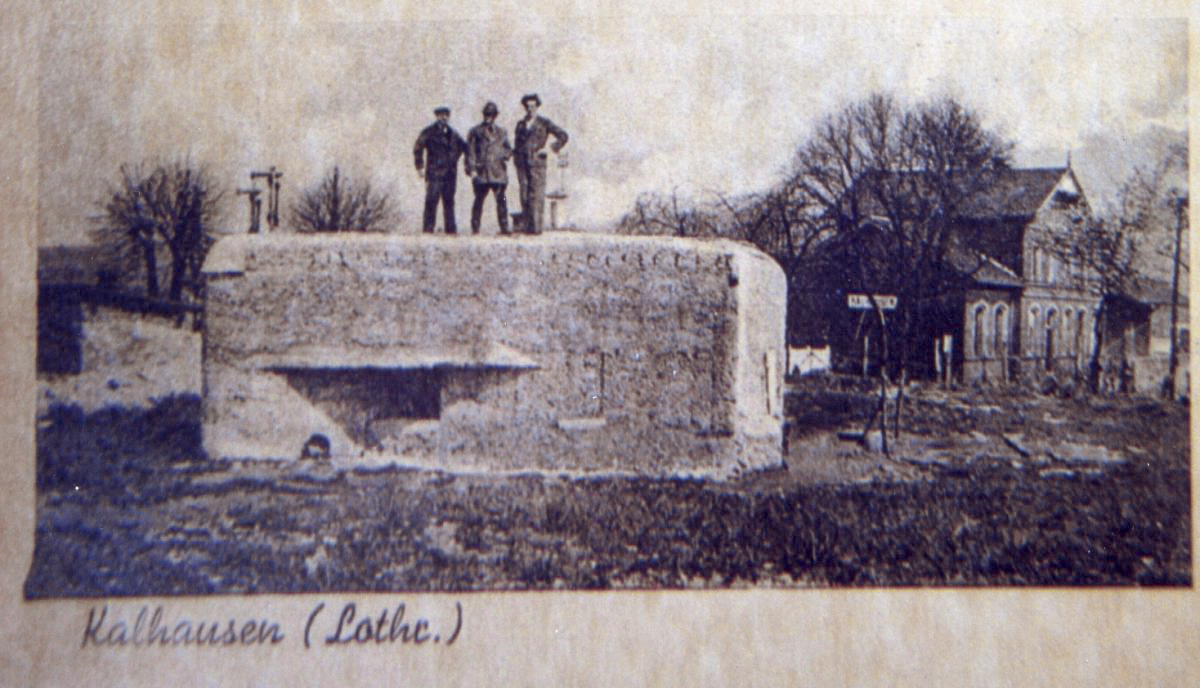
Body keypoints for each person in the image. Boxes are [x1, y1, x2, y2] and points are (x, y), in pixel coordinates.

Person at [513, 93, 568, 234]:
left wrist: (550, 148)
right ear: (525, 108)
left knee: (536, 196)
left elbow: (563, 135)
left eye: (533, 106)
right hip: (522, 164)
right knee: (524, 195)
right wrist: (517, 161)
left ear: (537, 107)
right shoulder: (520, 124)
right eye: (528, 106)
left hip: (537, 164)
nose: (530, 109)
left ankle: (536, 230)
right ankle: (527, 228)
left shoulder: (544, 123)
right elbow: (517, 144)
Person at [413, 106, 468, 234]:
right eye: (440, 115)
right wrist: (420, 166)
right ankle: (428, 230)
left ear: (449, 117)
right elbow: (418, 148)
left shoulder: (453, 134)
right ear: (436, 116)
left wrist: (454, 159)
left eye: (446, 115)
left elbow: (464, 147)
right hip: (434, 173)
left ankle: (451, 231)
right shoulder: (428, 132)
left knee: (449, 202)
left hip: (450, 174)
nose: (443, 118)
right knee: (432, 200)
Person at [466, 101, 513, 235]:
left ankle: (504, 227)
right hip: (482, 173)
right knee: (478, 200)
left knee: (502, 200)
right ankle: (475, 228)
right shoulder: (475, 132)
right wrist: (473, 170)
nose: (488, 117)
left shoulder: (502, 132)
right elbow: (470, 152)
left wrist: (503, 156)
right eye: (486, 114)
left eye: (491, 115)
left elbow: (509, 149)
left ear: (495, 116)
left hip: (498, 173)